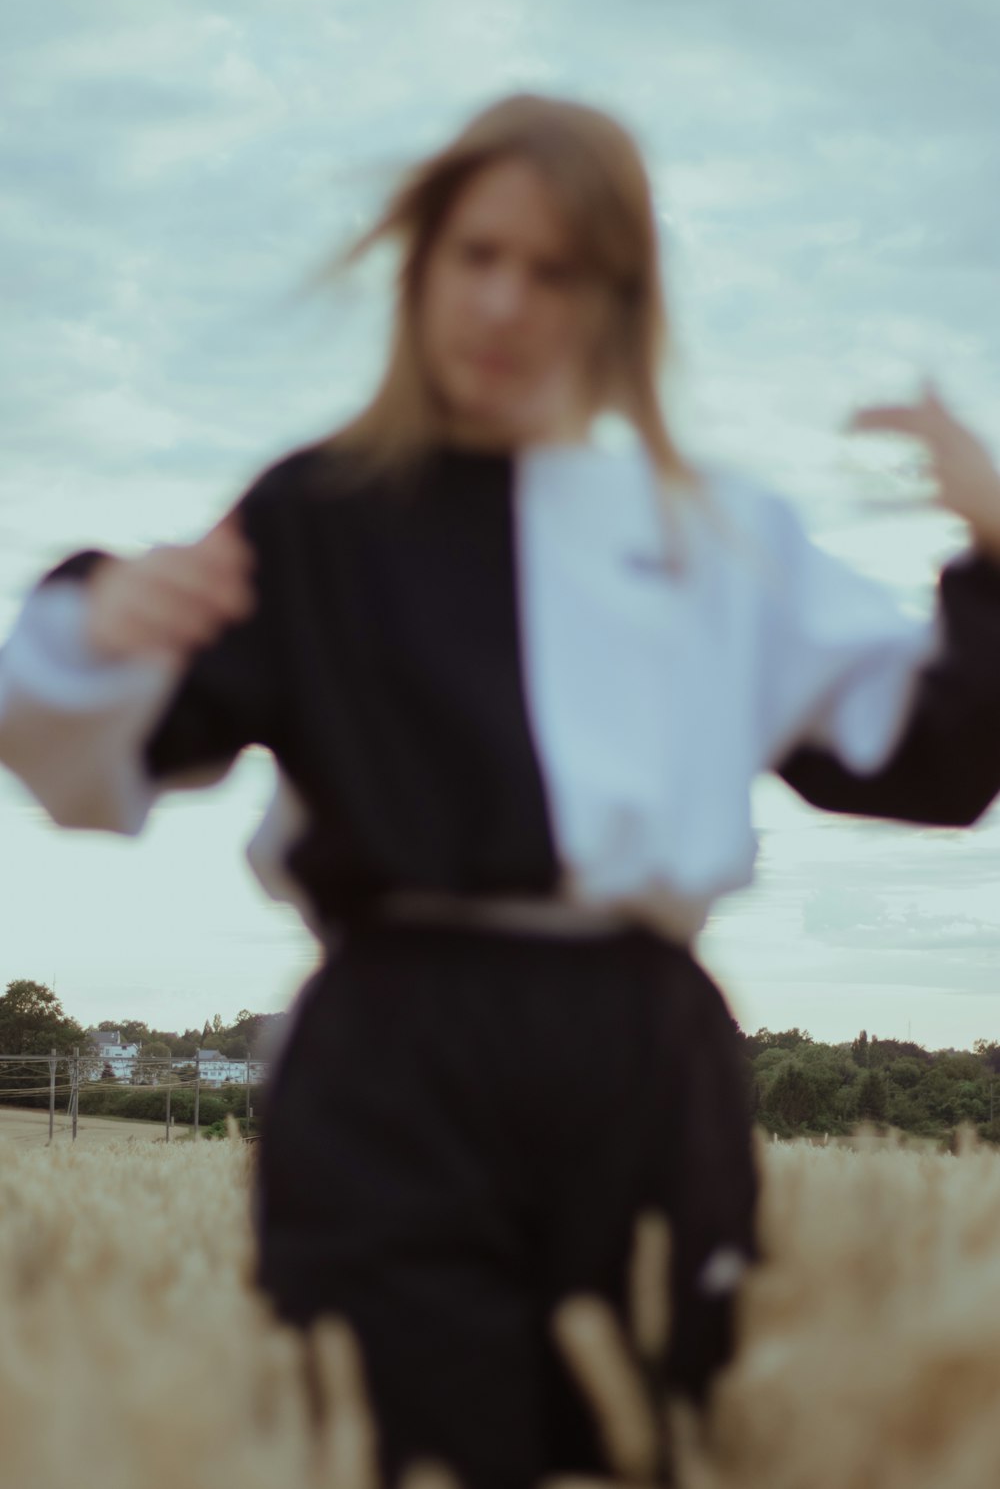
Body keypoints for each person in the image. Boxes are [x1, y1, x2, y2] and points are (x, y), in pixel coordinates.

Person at [3, 92, 1000, 1489]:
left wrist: (998, 552)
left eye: (553, 270)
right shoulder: (316, 515)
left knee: (643, 1449)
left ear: (618, 304)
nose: (504, 301)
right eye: (475, 255)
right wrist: (89, 625)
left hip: (647, 1072)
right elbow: (98, 757)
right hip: (392, 1063)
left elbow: (935, 759)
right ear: (419, 272)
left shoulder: (718, 537)